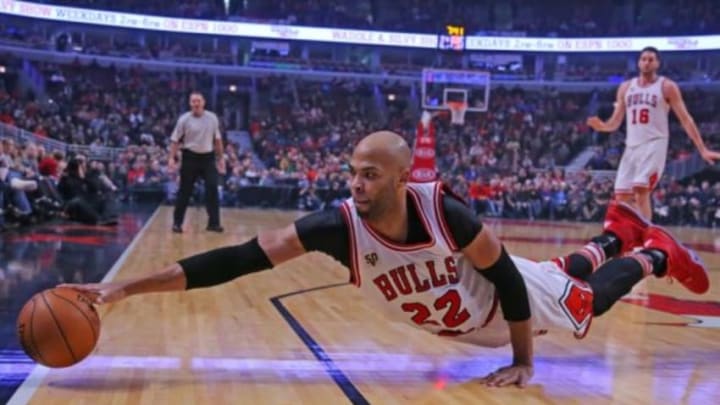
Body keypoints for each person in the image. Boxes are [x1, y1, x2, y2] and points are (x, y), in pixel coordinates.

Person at [62, 131, 709, 388]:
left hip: (498, 304)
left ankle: (653, 251)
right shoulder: (333, 227)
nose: (355, 183)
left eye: (369, 174)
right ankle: (616, 232)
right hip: (471, 306)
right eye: (352, 173)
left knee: (583, 301)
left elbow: (507, 276)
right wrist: (122, 290)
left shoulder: (445, 211)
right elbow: (233, 260)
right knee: (561, 277)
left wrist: (522, 361)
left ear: (402, 178)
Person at [586, 46, 720, 220]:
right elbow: (615, 123)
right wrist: (601, 126)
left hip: (655, 142)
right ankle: (633, 234)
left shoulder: (667, 86)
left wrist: (702, 149)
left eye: (651, 59)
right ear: (638, 63)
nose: (646, 62)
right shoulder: (625, 88)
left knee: (641, 190)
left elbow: (686, 119)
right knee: (622, 197)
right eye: (643, 59)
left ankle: (645, 238)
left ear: (658, 63)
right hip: (631, 146)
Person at [168, 91, 226, 233]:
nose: (196, 103)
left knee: (212, 189)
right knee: (185, 191)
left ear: (203, 102)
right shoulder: (184, 119)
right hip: (190, 157)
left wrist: (221, 158)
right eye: (193, 101)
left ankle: (214, 223)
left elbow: (217, 140)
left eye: (198, 101)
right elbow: (175, 140)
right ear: (190, 103)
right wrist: (171, 158)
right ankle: (177, 223)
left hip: (208, 157)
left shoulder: (212, 118)